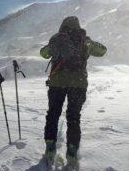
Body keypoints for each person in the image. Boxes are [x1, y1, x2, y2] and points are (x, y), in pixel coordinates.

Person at [40, 16, 107, 162]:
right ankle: (72, 151)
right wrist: (87, 42)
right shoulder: (84, 40)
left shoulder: (57, 39)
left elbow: (43, 53)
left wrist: (55, 43)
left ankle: (50, 146)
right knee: (74, 117)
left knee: (53, 114)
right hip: (78, 84)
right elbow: (102, 51)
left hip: (57, 84)